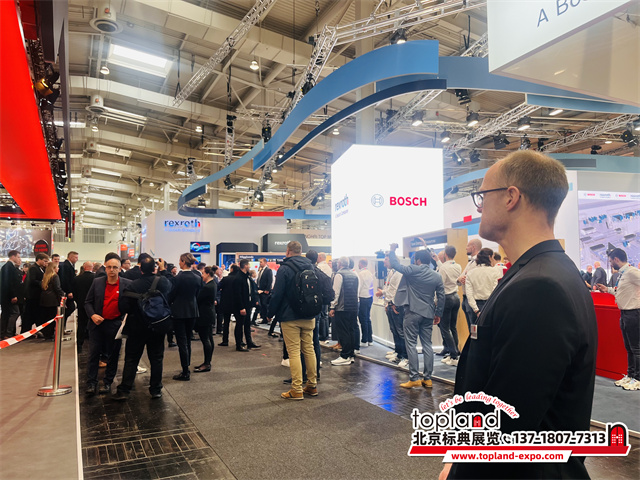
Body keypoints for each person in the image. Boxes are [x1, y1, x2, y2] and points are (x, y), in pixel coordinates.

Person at [442, 150, 597, 480]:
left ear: (511, 197)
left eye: (482, 196)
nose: (479, 206)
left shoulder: (539, 286)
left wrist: (458, 469)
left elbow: (508, 425)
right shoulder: (546, 271)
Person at [113, 256, 172, 401]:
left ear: (140, 269)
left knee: (131, 359)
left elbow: (123, 307)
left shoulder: (133, 285)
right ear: (154, 268)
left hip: (136, 327)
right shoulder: (163, 282)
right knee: (157, 358)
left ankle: (124, 390)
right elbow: (171, 294)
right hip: (157, 326)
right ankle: (156, 390)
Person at [267, 241, 319, 400]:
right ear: (301, 251)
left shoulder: (284, 268)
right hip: (309, 315)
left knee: (294, 352)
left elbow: (277, 294)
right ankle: (312, 385)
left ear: (288, 251)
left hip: (289, 316)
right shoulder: (311, 266)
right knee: (309, 349)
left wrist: (270, 313)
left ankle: (296, 389)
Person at [388, 245, 444, 389]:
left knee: (411, 344)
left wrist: (392, 250)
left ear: (418, 260)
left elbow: (395, 265)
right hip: (428, 313)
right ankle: (428, 379)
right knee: (427, 345)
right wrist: (438, 313)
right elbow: (441, 296)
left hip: (412, 312)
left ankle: (414, 378)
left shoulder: (413, 270)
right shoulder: (437, 275)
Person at [84, 253, 131, 396]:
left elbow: (131, 304)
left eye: (115, 267)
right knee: (93, 354)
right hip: (97, 324)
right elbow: (87, 302)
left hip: (115, 324)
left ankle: (107, 382)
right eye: (109, 267)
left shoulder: (127, 284)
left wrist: (124, 320)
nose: (112, 270)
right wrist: (92, 315)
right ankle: (91, 383)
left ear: (120, 269)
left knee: (113, 355)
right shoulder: (97, 282)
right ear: (105, 268)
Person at [596, 248, 640, 391]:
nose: (610, 264)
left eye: (610, 261)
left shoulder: (632, 272)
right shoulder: (623, 274)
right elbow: (620, 292)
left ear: (616, 259)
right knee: (629, 348)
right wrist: (607, 290)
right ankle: (631, 375)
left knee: (636, 348)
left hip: (633, 313)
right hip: (625, 314)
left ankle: (638, 378)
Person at [162, 253, 201, 381]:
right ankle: (186, 366)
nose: (179, 263)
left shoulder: (178, 278)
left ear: (183, 261)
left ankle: (185, 371)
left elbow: (171, 295)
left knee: (182, 342)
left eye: (180, 260)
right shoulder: (197, 277)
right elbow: (197, 294)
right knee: (188, 340)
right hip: (192, 311)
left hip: (179, 312)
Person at [376, 254, 407, 368]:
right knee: (394, 330)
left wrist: (393, 303)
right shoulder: (391, 272)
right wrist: (386, 302)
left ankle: (405, 356)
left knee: (400, 332)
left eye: (386, 259)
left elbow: (398, 290)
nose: (384, 262)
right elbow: (389, 288)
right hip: (390, 304)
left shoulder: (399, 273)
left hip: (396, 305)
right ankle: (398, 353)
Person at [329, 256, 360, 366]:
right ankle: (350, 355)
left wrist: (332, 307)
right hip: (354, 307)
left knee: (343, 332)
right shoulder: (354, 274)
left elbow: (336, 293)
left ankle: (345, 356)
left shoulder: (339, 275)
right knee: (351, 331)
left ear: (339, 264)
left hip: (342, 308)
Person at [436, 245, 462, 366]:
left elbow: (440, 286)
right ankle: (454, 353)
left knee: (445, 328)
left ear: (445, 254)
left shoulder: (443, 268)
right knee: (453, 327)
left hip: (446, 298)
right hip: (456, 297)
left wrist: (436, 301)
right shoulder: (458, 266)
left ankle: (453, 356)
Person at [465, 247, 502, 325]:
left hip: (474, 306)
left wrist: (476, 310)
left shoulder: (470, 273)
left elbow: (469, 294)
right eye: (493, 257)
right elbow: (495, 291)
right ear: (489, 257)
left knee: (474, 331)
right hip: (490, 305)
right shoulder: (495, 272)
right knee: (490, 330)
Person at [232, 259, 260, 351]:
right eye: (248, 265)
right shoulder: (238, 277)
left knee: (247, 324)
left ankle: (249, 342)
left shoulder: (246, 276)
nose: (250, 266)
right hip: (241, 306)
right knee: (239, 325)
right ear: (245, 266)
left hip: (247, 305)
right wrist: (241, 307)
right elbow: (237, 294)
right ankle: (238, 344)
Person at [193, 266, 217, 372]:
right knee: (209, 338)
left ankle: (207, 363)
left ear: (207, 274)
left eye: (203, 273)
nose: (202, 276)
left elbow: (198, 299)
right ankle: (207, 362)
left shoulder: (208, 287)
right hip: (209, 314)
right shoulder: (213, 284)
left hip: (205, 315)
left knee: (206, 339)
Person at [456, 238, 482, 329]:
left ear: (473, 247)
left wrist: (464, 279)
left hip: (473, 299)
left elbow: (475, 280)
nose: (466, 248)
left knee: (474, 329)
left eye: (468, 246)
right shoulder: (470, 262)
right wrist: (460, 279)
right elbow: (459, 279)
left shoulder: (479, 262)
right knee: (471, 329)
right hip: (466, 299)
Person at [22, 253, 49, 334]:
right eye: (44, 261)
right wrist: (43, 283)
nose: (45, 263)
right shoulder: (33, 268)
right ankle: (26, 332)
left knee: (36, 314)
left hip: (36, 295)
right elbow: (32, 280)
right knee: (29, 315)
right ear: (39, 259)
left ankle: (37, 331)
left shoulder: (40, 268)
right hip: (32, 296)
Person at [40, 261, 65, 340]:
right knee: (52, 317)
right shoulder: (55, 276)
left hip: (44, 299)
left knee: (46, 317)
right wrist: (63, 294)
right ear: (54, 268)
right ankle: (50, 334)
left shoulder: (45, 276)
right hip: (52, 300)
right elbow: (57, 288)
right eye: (57, 267)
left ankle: (46, 334)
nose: (58, 268)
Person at [73, 261, 94, 353]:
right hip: (92, 305)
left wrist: (78, 301)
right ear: (92, 268)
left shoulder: (77, 279)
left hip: (81, 304)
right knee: (92, 323)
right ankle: (92, 344)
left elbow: (74, 292)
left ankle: (79, 345)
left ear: (84, 267)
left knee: (81, 324)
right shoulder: (95, 278)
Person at [1, 250, 22, 339]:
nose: (19, 259)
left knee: (7, 314)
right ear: (13, 256)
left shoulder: (11, 267)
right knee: (14, 313)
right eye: (18, 257)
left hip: (8, 296)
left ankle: (7, 333)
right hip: (8, 296)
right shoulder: (8, 267)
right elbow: (9, 283)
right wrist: (13, 295)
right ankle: (7, 333)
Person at [217, 264, 238, 346]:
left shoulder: (225, 279)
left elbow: (218, 287)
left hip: (226, 303)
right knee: (239, 323)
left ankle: (225, 341)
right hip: (236, 303)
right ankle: (239, 341)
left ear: (231, 269)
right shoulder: (239, 279)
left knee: (226, 323)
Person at [357, 258, 375, 346]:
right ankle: (370, 339)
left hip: (363, 297)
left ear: (361, 264)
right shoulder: (369, 273)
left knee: (363, 319)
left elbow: (359, 287)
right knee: (367, 318)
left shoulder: (361, 274)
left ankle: (364, 340)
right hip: (369, 297)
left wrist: (356, 297)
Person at [58, 251, 78, 328]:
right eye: (76, 257)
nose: (77, 259)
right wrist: (69, 291)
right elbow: (66, 280)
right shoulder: (66, 266)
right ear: (71, 257)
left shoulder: (69, 265)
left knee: (70, 308)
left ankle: (62, 327)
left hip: (67, 291)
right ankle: (61, 326)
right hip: (66, 292)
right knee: (70, 307)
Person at [316, 252, 332, 342]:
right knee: (325, 315)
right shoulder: (328, 268)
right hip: (327, 294)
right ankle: (325, 334)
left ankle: (322, 335)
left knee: (321, 315)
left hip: (321, 294)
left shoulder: (320, 267)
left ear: (320, 257)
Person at [256, 258, 273, 325]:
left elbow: (270, 280)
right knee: (262, 305)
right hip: (260, 290)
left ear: (265, 263)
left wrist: (267, 290)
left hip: (265, 291)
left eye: (261, 262)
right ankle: (263, 318)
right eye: (259, 262)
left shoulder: (268, 270)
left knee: (265, 305)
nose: (260, 263)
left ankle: (267, 318)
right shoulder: (261, 271)